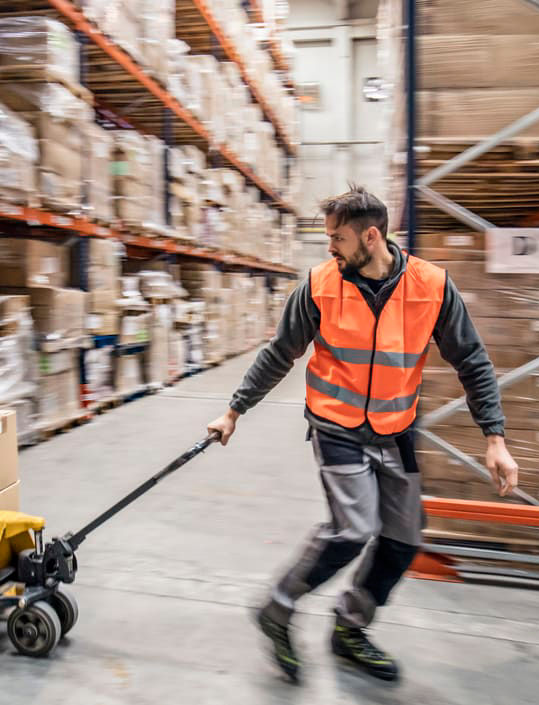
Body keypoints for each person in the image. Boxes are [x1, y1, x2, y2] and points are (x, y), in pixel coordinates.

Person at [206, 187, 518, 683]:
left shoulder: (432, 286)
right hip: (337, 426)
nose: (330, 247)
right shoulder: (319, 285)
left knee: (403, 539)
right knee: (351, 530)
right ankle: (278, 609)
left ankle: (350, 628)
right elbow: (280, 352)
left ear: (371, 237)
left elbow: (472, 361)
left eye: (338, 238)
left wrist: (494, 438)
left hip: (396, 429)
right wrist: (233, 411)